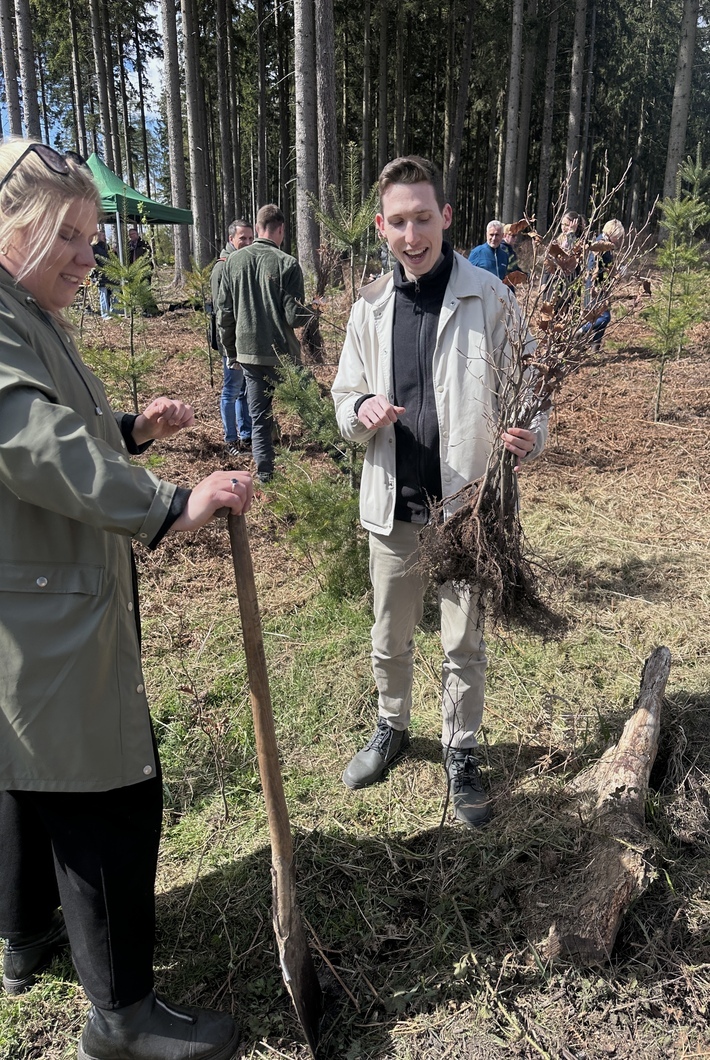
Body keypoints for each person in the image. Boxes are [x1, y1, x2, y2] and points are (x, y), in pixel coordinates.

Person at [0, 140, 251, 1060]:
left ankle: (26, 942)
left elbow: (58, 424)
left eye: (91, 236)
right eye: (65, 234)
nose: (85, 255)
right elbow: (30, 446)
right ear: (7, 226)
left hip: (33, 600)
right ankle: (122, 1017)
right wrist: (171, 504)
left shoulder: (25, 312)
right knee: (107, 793)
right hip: (43, 609)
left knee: (27, 779)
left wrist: (126, 429)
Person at [332, 156, 548, 829]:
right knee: (389, 635)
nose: (412, 234)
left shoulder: (491, 296)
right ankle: (392, 727)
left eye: (423, 217)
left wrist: (529, 433)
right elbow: (343, 394)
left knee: (463, 642)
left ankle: (461, 749)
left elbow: (532, 387)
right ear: (381, 226)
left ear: (446, 217)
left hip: (465, 509)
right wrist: (360, 408)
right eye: (398, 221)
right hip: (395, 503)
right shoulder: (369, 306)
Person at [218, 203, 313, 483]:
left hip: (248, 354)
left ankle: (264, 474)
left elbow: (224, 313)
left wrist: (231, 351)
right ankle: (343, 460)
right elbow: (295, 317)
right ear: (280, 229)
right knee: (310, 407)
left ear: (258, 228)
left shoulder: (233, 262)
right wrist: (313, 311)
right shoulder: (287, 263)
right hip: (283, 354)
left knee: (259, 416)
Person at [211, 219, 254, 456]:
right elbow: (222, 312)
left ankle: (246, 436)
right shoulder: (223, 266)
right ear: (231, 240)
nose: (247, 242)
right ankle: (230, 440)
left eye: (250, 238)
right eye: (242, 238)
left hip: (246, 340)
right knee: (232, 390)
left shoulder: (242, 263)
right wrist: (229, 349)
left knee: (244, 391)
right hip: (232, 342)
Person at [580, 218, 625, 351]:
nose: (619, 239)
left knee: (600, 316)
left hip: (601, 286)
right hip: (596, 286)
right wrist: (609, 273)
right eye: (618, 236)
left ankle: (595, 346)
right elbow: (594, 266)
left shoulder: (606, 243)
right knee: (604, 317)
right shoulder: (601, 244)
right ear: (613, 233)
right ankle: (580, 331)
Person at [91, 228, 113, 318]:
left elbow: (109, 259)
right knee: (103, 293)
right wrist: (97, 269)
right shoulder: (93, 247)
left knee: (111, 292)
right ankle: (105, 314)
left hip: (109, 272)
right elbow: (93, 260)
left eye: (104, 235)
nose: (104, 236)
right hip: (100, 273)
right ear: (98, 236)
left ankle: (112, 311)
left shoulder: (106, 247)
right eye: (102, 235)